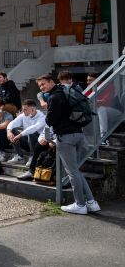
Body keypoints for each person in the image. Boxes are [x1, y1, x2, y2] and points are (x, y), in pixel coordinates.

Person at [37, 74, 101, 214]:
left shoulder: (54, 98)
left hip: (66, 138)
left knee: (72, 172)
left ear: (51, 82)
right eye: (40, 86)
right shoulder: (65, 92)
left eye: (43, 84)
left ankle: (80, 204)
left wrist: (47, 111)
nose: (42, 88)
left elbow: (50, 120)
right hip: (79, 135)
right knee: (76, 170)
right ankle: (91, 202)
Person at [85, 71, 121, 146]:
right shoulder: (89, 88)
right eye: (87, 80)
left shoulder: (107, 85)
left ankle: (104, 137)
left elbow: (106, 102)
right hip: (104, 116)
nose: (88, 82)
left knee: (101, 109)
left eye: (90, 80)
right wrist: (94, 102)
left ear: (97, 80)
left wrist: (94, 102)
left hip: (118, 114)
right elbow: (86, 101)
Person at [6, 99, 46, 165]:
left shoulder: (42, 117)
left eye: (25, 109)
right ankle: (19, 156)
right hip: (27, 142)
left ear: (33, 109)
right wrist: (8, 131)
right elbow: (13, 123)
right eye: (22, 109)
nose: (23, 111)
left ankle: (32, 157)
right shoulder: (23, 115)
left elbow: (34, 128)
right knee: (12, 130)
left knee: (31, 133)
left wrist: (19, 135)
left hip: (38, 144)